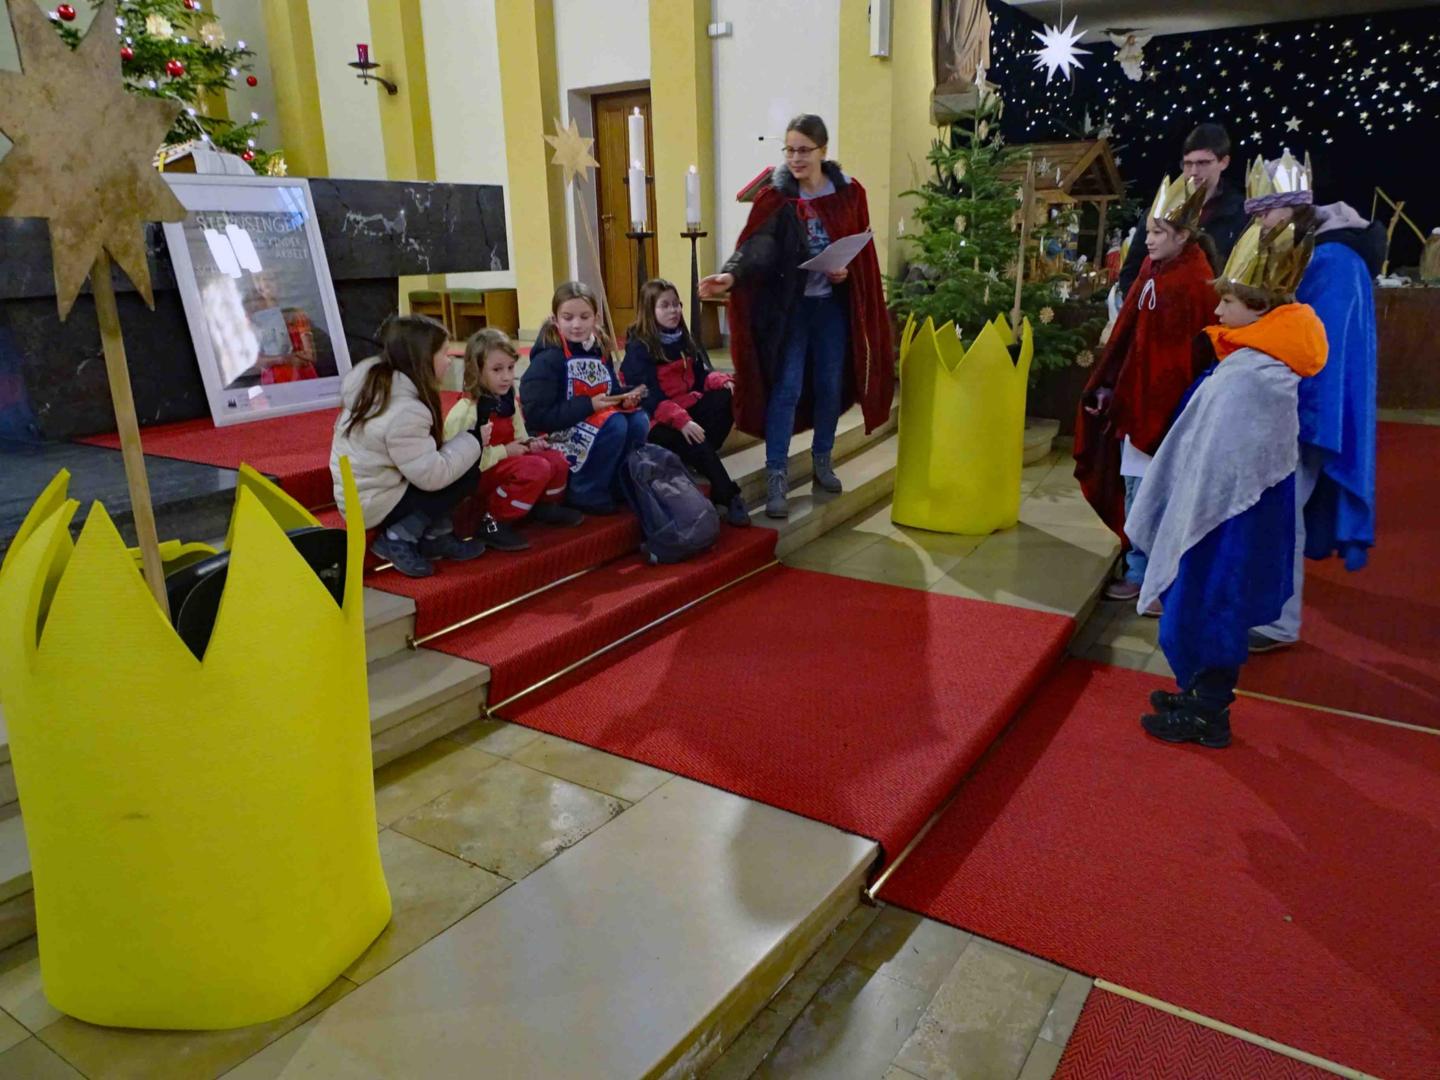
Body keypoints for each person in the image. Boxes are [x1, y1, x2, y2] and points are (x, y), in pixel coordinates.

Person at [1127, 220, 1328, 748]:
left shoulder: (1257, 372)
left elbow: (1230, 461)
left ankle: (1209, 713)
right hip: (1229, 511)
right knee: (1200, 597)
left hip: (1231, 518)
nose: (1217, 312)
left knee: (1216, 600)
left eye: (1229, 303)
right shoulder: (1255, 357)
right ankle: (1196, 691)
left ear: (1258, 306)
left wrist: (1191, 509)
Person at [698, 114, 893, 519]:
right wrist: (731, 273)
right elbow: (760, 245)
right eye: (789, 149)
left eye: (804, 150)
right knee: (785, 389)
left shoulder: (849, 194)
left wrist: (846, 272)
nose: (795, 158)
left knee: (827, 384)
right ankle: (777, 475)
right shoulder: (777, 197)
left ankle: (823, 460)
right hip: (790, 311)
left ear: (823, 150)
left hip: (830, 309)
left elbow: (860, 249)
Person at [1243, 152, 1381, 652]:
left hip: (1305, 413)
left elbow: (1323, 354)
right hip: (1287, 406)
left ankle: (1278, 622)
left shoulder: (1333, 261)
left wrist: (1300, 418)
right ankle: (1269, 613)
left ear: (1292, 208)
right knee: (1277, 515)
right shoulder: (1308, 252)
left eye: (1264, 213)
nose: (1258, 224)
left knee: (1281, 516)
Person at [1074, 175, 1218, 604]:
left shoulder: (1189, 282)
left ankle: (1149, 578)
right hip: (1135, 403)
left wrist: (1140, 401)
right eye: (1149, 231)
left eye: (1158, 232)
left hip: (1160, 411)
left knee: (1151, 494)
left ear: (1184, 235)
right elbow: (1130, 341)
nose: (1148, 240)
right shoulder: (1156, 271)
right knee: (1137, 489)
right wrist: (1111, 387)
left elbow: (1176, 360)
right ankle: (1141, 566)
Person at [330, 314, 486, 579]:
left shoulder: (382, 385)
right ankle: (396, 538)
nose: (450, 360)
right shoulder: (406, 410)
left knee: (459, 462)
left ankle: (437, 536)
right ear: (424, 358)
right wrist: (474, 440)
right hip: (372, 501)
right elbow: (432, 476)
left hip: (368, 491)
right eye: (445, 353)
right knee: (466, 472)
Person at [621, 279, 750, 528]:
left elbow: (701, 378)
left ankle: (698, 457)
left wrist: (722, 381)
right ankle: (728, 494)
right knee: (697, 439)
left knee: (729, 395)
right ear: (650, 310)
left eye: (676, 304)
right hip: (657, 420)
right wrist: (682, 421)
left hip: (685, 408)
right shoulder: (640, 348)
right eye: (665, 306)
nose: (674, 311)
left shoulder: (682, 338)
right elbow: (650, 397)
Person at [444, 328, 585, 544]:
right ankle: (491, 521)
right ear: (476, 370)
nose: (507, 377)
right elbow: (459, 463)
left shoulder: (508, 400)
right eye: (497, 370)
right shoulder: (466, 411)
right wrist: (506, 451)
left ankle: (540, 506)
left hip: (503, 464)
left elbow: (519, 435)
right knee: (535, 469)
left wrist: (530, 444)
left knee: (556, 460)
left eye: (510, 368)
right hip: (476, 475)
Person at [519, 282, 649, 515]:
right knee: (615, 424)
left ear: (596, 318)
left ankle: (619, 482)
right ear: (555, 319)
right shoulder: (548, 358)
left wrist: (626, 397)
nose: (576, 325)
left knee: (639, 420)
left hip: (591, 420)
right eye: (568, 318)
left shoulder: (600, 350)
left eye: (584, 317)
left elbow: (611, 389)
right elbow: (537, 415)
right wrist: (588, 405)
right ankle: (584, 489)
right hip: (555, 432)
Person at [1116, 122, 1248, 298]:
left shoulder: (1241, 213)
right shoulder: (1158, 212)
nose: (1193, 171)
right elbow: (1130, 274)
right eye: (1187, 164)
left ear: (1223, 162)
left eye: (1202, 163)